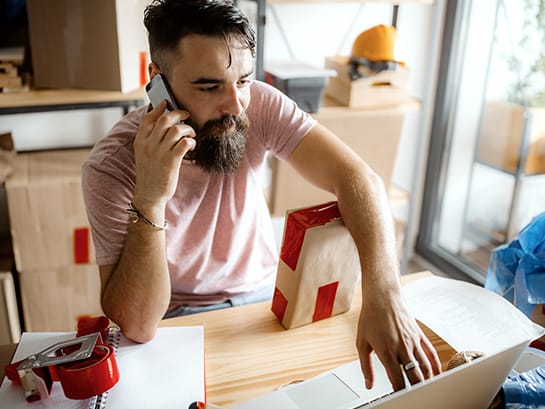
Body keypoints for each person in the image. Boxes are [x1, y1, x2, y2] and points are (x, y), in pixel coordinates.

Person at [81, 0, 441, 392]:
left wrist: (384, 292)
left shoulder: (259, 104)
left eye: (242, 80)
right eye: (209, 86)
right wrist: (151, 196)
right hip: (177, 320)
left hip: (266, 298)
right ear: (158, 82)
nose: (235, 105)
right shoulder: (111, 165)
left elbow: (358, 179)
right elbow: (137, 323)